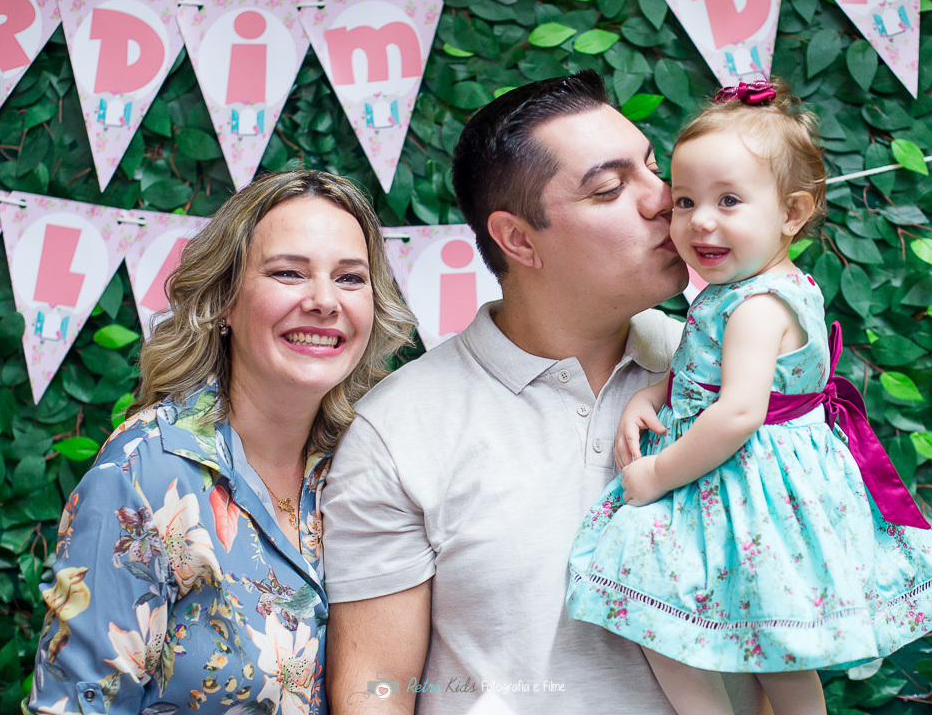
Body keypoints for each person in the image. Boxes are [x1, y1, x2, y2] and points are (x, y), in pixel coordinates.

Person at [321, 71, 770, 715]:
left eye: (653, 166)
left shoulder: (728, 373)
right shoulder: (401, 429)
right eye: (611, 188)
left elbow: (781, 627)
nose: (663, 199)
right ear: (518, 239)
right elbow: (375, 691)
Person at [565, 80, 932, 715]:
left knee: (643, 583)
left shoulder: (755, 306)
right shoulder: (760, 286)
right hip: (757, 477)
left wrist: (654, 478)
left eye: (729, 200)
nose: (700, 221)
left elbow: (740, 410)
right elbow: (719, 372)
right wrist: (659, 390)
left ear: (792, 213)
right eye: (686, 200)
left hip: (744, 482)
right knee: (774, 649)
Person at [27, 170, 415, 715]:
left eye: (350, 278)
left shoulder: (370, 461)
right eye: (288, 273)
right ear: (224, 301)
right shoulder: (144, 474)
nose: (325, 301)